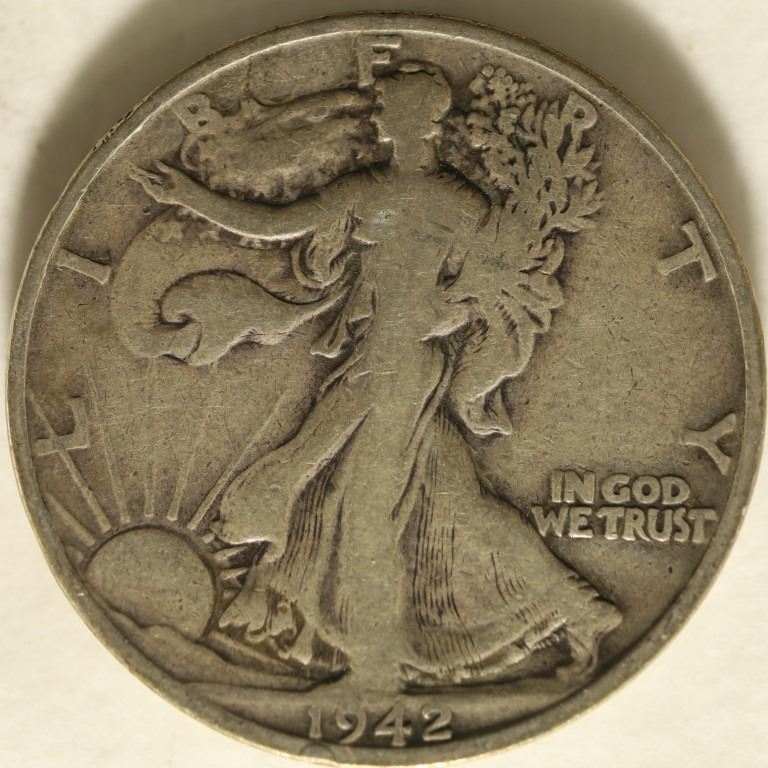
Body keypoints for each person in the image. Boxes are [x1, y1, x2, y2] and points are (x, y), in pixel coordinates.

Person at [126, 62, 621, 693]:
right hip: (392, 364)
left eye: (391, 108)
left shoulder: (411, 198)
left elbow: (283, 225)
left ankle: (377, 670)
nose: (381, 117)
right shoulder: (437, 199)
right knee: (454, 506)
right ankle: (582, 609)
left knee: (364, 515)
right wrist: (187, 196)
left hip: (396, 370)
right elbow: (281, 226)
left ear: (419, 120)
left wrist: (187, 196)